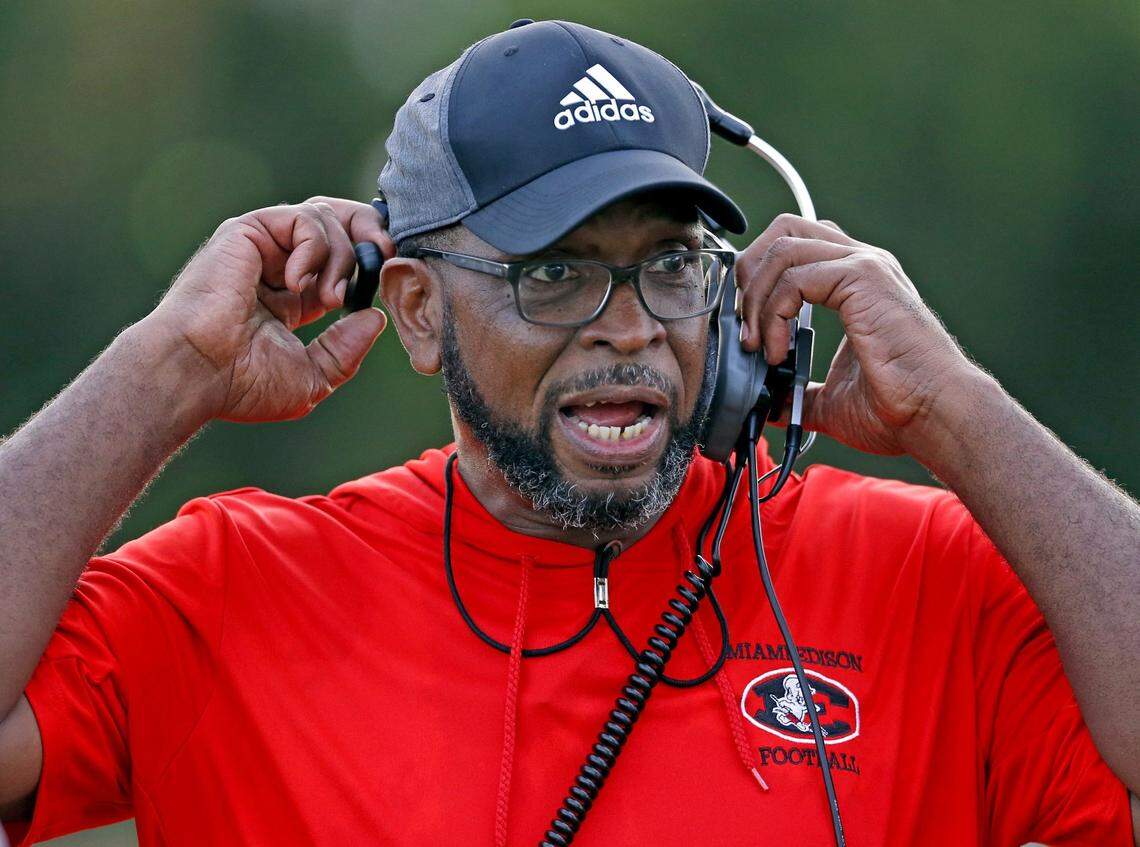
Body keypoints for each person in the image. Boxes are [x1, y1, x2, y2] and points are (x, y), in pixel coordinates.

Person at [1, 17, 1137, 847]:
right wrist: (167, 371)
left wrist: (963, 414)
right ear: (415, 310)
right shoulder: (235, 590)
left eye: (672, 264)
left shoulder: (927, 575)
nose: (634, 327)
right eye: (556, 274)